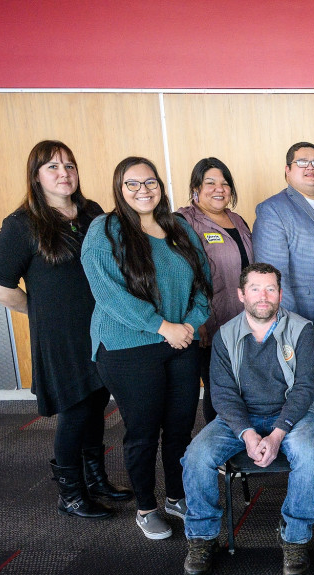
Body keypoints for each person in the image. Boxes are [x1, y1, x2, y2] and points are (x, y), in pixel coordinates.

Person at [0, 140, 131, 518]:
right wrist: (39, 313)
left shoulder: (91, 213)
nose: (63, 173)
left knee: (97, 402)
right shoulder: (22, 225)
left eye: (69, 166)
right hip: (60, 336)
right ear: (36, 177)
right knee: (76, 410)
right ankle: (70, 493)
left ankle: (95, 479)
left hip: (100, 328)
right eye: (52, 167)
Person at [81, 156, 212, 541]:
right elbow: (107, 293)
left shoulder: (179, 227)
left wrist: (188, 323)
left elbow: (204, 283)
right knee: (142, 431)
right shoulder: (105, 229)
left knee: (179, 428)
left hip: (181, 341)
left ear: (161, 185)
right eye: (132, 184)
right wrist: (162, 326)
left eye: (150, 182)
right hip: (128, 347)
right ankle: (146, 507)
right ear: (119, 189)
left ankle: (175, 496)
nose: (143, 190)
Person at [181, 263, 314, 575]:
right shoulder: (226, 336)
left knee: (309, 455)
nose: (264, 296)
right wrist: (247, 433)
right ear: (241, 294)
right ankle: (203, 538)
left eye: (271, 289)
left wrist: (275, 435)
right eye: (256, 289)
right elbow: (222, 394)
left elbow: (305, 389)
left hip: (294, 414)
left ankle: (295, 538)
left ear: (280, 294)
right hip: (241, 417)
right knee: (197, 455)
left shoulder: (302, 330)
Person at [177, 157, 253, 423]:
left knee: (243, 387)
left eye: (224, 183)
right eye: (210, 182)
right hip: (208, 324)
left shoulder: (237, 220)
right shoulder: (183, 222)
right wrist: (195, 321)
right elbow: (180, 277)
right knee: (218, 390)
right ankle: (220, 453)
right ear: (196, 187)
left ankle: (244, 446)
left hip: (243, 321)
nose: (219, 188)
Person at [252, 142, 314, 332]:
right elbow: (274, 276)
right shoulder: (273, 210)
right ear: (287, 170)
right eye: (302, 162)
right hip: (303, 316)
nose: (310, 167)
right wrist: (293, 325)